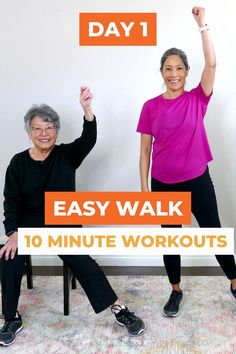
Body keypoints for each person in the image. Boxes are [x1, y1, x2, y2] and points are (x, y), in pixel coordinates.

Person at [0, 87, 145, 346]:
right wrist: (13, 233)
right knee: (8, 257)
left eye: (49, 128)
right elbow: (10, 201)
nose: (43, 134)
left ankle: (118, 309)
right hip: (28, 225)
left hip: (63, 222)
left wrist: (87, 110)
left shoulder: (67, 155)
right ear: (29, 132)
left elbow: (89, 139)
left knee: (84, 262)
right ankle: (10, 317)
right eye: (37, 129)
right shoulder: (18, 163)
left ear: (56, 131)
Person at [137, 7, 236, 317]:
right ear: (162, 72)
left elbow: (213, 62)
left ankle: (235, 282)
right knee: (170, 238)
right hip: (164, 184)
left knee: (213, 232)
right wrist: (144, 187)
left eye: (179, 68)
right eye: (168, 68)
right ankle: (176, 290)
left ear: (186, 71)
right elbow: (144, 151)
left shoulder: (197, 98)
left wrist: (202, 24)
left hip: (196, 179)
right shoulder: (150, 107)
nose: (174, 73)